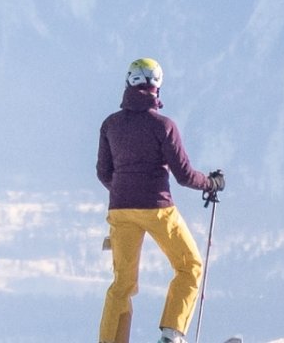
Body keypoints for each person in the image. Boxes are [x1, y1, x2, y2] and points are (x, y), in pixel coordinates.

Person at [96, 57, 224, 343]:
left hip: (120, 210)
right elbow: (184, 175)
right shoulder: (163, 126)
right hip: (157, 209)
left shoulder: (110, 125)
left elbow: (103, 172)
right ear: (157, 87)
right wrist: (212, 183)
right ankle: (171, 335)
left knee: (122, 284)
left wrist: (123, 191)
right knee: (189, 266)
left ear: (128, 82)